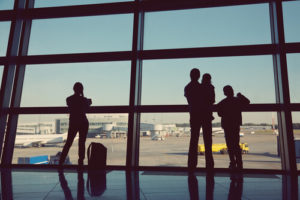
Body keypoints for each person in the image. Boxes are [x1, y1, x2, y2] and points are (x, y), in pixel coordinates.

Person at [184, 68, 215, 170]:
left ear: (190, 75)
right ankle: (209, 165)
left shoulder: (187, 87)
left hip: (194, 116)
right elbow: (209, 101)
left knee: (193, 140)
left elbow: (191, 101)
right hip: (205, 116)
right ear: (198, 76)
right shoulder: (202, 87)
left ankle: (192, 164)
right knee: (208, 141)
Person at [217, 85, 250, 170]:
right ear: (232, 91)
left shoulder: (223, 102)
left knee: (229, 145)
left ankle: (232, 162)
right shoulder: (237, 100)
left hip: (227, 125)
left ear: (225, 93)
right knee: (236, 144)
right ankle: (239, 162)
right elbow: (247, 102)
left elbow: (219, 113)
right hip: (235, 124)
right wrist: (240, 95)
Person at [59, 82, 92, 166]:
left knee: (68, 142)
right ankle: (80, 162)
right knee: (82, 143)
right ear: (82, 89)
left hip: (73, 122)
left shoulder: (69, 99)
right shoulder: (84, 100)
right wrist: (86, 99)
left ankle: (61, 162)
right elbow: (87, 108)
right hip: (83, 122)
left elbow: (72, 105)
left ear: (73, 89)